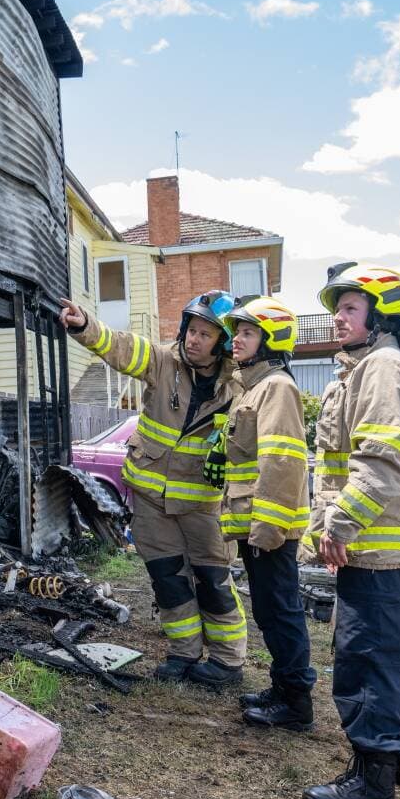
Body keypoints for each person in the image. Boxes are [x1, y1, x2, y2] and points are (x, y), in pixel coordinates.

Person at [300, 263, 400, 799]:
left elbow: (379, 464)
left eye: (349, 308)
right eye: (336, 308)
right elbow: (338, 466)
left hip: (373, 543)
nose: (337, 318)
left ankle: (372, 778)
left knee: (367, 656)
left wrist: (338, 527)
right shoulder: (365, 369)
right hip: (381, 543)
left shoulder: (383, 368)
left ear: (380, 314)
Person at [58, 292, 248, 688]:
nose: (193, 340)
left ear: (224, 342)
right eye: (190, 330)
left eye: (205, 334)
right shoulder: (164, 361)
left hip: (202, 505)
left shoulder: (239, 386)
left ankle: (228, 663)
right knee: (169, 580)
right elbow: (122, 348)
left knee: (212, 581)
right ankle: (184, 653)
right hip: (150, 501)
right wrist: (86, 326)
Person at [214, 297, 315, 731]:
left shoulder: (277, 388)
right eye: (237, 331)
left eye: (248, 332)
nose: (236, 339)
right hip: (255, 525)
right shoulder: (253, 386)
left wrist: (268, 527)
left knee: (281, 611)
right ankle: (282, 688)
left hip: (269, 527)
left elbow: (282, 462)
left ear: (270, 341)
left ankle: (296, 704)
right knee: (270, 612)